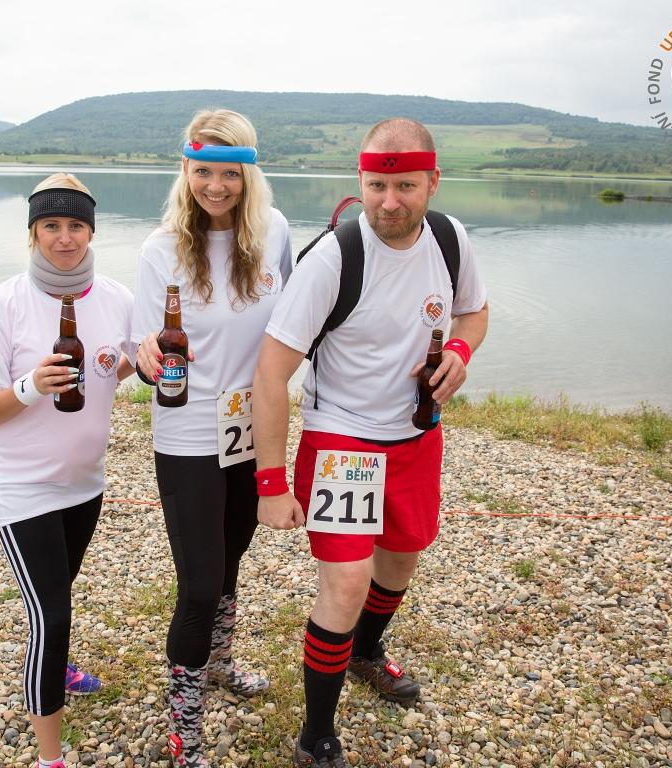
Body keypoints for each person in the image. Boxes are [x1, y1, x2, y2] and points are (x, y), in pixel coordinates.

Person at [251, 118, 489, 767]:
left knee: (401, 561)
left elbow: (475, 310)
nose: (389, 202)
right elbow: (271, 371)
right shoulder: (334, 258)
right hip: (342, 440)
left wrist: (460, 349)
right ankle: (317, 734)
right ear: (360, 181)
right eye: (377, 186)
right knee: (347, 583)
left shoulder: (450, 239)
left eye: (405, 186)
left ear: (433, 182)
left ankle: (365, 652)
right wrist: (271, 482)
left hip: (415, 436)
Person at [132, 108, 292, 768]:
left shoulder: (275, 232)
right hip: (188, 435)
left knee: (229, 563)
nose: (216, 186)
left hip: (251, 429)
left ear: (250, 174)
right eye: (203, 171)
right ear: (186, 170)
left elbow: (294, 325)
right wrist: (145, 356)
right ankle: (185, 730)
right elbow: (143, 346)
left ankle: (220, 665)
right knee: (198, 586)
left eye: (230, 173)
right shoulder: (160, 250)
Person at [0, 173, 135, 768]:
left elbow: (121, 362)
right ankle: (49, 758)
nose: (65, 238)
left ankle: (56, 668)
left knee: (59, 589)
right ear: (33, 232)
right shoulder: (3, 304)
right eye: (51, 225)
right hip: (20, 486)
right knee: (51, 615)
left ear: (92, 231)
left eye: (76, 225)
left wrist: (142, 362)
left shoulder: (117, 298)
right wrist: (31, 385)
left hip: (85, 482)